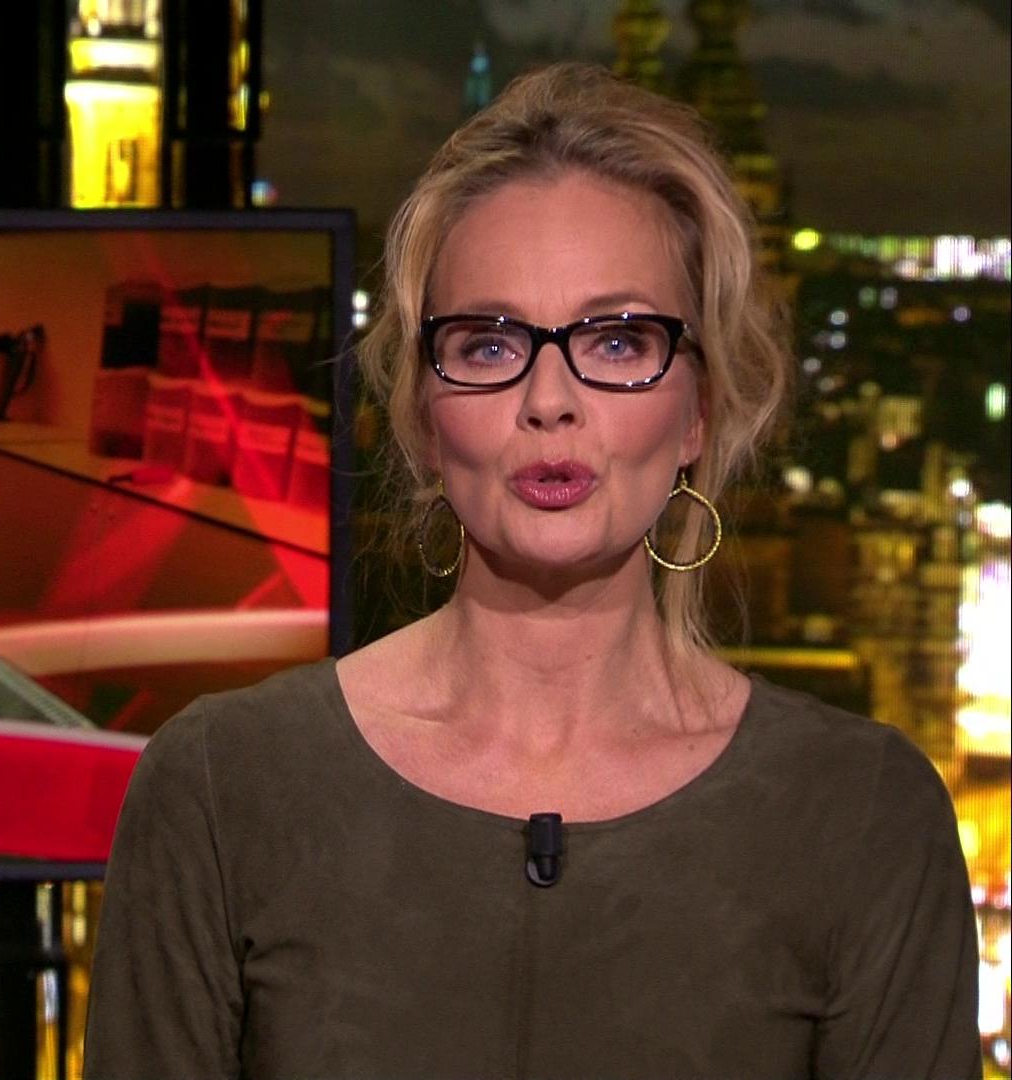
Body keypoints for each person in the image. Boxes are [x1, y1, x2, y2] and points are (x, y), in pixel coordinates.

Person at [84, 64, 979, 1078]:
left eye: (618, 340)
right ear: (423, 415)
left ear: (699, 410)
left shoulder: (861, 815)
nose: (549, 400)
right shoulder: (221, 789)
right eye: (488, 344)